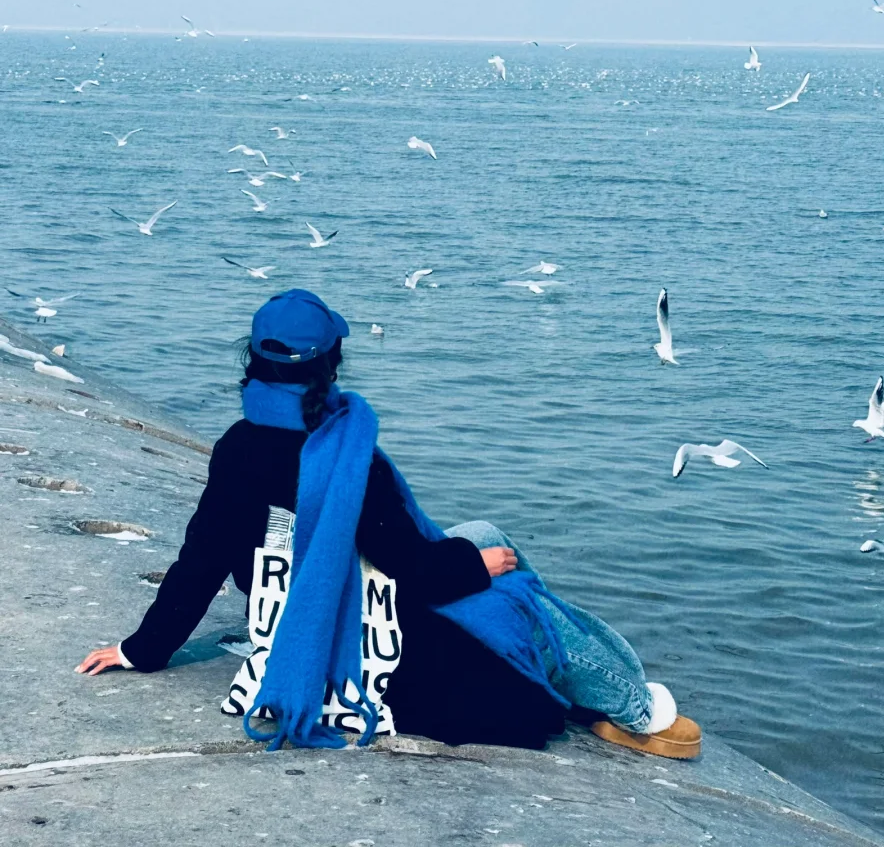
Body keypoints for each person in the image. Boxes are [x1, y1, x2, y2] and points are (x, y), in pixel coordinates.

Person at [76, 289, 700, 758]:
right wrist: (475, 566)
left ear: (256, 364)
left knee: (486, 535)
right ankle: (629, 706)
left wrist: (141, 649)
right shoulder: (345, 454)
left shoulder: (238, 446)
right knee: (512, 583)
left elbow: (202, 560)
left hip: (293, 599)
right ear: (331, 365)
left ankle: (581, 675)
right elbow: (413, 569)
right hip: (371, 626)